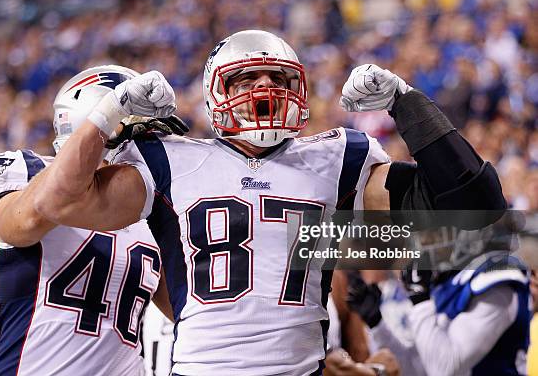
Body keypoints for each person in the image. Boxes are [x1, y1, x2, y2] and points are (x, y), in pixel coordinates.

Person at [34, 30, 506, 375]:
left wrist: (407, 103)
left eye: (277, 77)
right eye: (245, 79)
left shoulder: (339, 158)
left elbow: (475, 205)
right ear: (217, 90)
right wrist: (106, 114)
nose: (263, 89)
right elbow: (60, 199)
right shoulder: (170, 162)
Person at [0, 65, 186, 376]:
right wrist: (110, 112)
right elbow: (24, 223)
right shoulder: (27, 172)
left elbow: (189, 307)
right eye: (139, 130)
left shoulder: (151, 207)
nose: (151, 145)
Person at [346, 233, 531, 376]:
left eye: (436, 229)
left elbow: (444, 369)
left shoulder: (497, 284)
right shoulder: (446, 281)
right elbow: (416, 368)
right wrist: (378, 324)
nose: (424, 240)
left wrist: (420, 300)